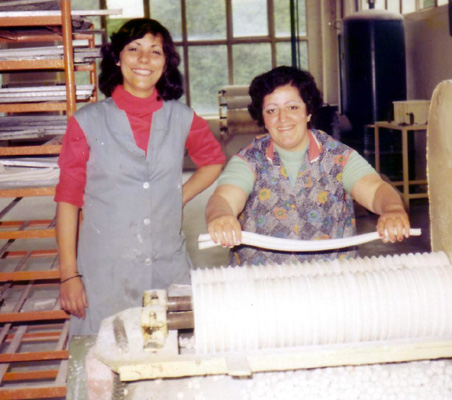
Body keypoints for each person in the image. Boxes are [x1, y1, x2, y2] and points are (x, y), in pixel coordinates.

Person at [55, 18, 226, 335]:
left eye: (155, 51)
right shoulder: (87, 122)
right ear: (118, 58)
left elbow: (213, 161)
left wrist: (178, 196)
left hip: (166, 266)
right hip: (105, 272)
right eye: (134, 49)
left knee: (165, 356)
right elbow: (68, 200)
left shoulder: (182, 117)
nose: (144, 60)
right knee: (105, 361)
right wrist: (68, 275)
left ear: (166, 63)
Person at [205, 66, 410, 266]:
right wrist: (220, 216)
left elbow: (375, 190)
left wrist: (392, 209)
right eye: (271, 110)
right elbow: (224, 198)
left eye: (292, 107)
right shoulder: (248, 159)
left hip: (330, 281)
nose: (282, 118)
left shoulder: (338, 156)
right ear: (263, 118)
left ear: (308, 111)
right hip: (262, 285)